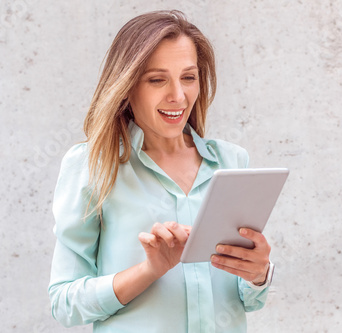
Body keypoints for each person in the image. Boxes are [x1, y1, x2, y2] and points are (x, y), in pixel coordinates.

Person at [48, 10, 274, 333]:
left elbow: (248, 299)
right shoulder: (93, 166)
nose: (178, 96)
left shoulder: (232, 163)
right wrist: (149, 270)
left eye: (188, 77)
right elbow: (63, 302)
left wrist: (258, 273)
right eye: (157, 79)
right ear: (126, 86)